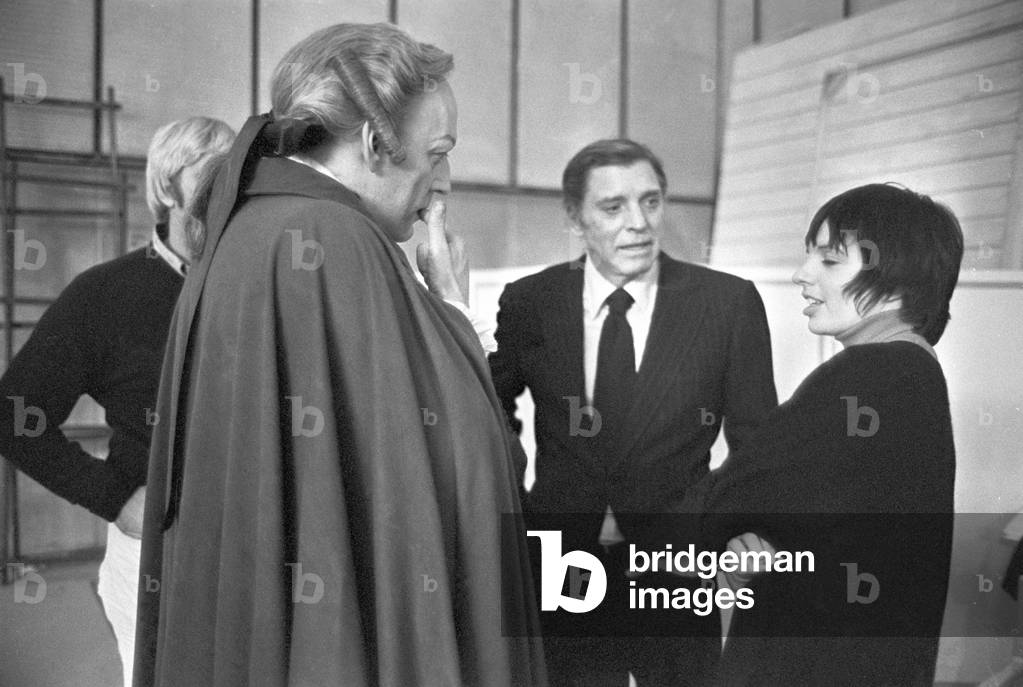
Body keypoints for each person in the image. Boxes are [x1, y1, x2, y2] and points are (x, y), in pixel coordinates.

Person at [133, 23, 545, 687]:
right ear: (375, 144)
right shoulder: (335, 239)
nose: (442, 181)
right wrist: (449, 305)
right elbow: (465, 460)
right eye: (436, 152)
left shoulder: (251, 223)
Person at [488, 138, 778, 686]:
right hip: (562, 562)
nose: (638, 223)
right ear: (575, 217)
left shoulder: (726, 303)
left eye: (651, 202)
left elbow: (757, 443)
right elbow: (492, 409)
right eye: (613, 207)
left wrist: (723, 530)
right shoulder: (531, 301)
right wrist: (524, 507)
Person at [681, 182, 963, 686]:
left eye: (830, 261)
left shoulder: (868, 373)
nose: (802, 275)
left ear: (897, 282)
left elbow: (736, 493)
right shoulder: (916, 374)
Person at [0, 116, 234, 687]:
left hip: (252, 546)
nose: (226, 194)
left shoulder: (260, 284)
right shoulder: (106, 294)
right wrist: (116, 498)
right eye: (211, 178)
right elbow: (15, 415)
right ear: (168, 190)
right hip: (155, 551)